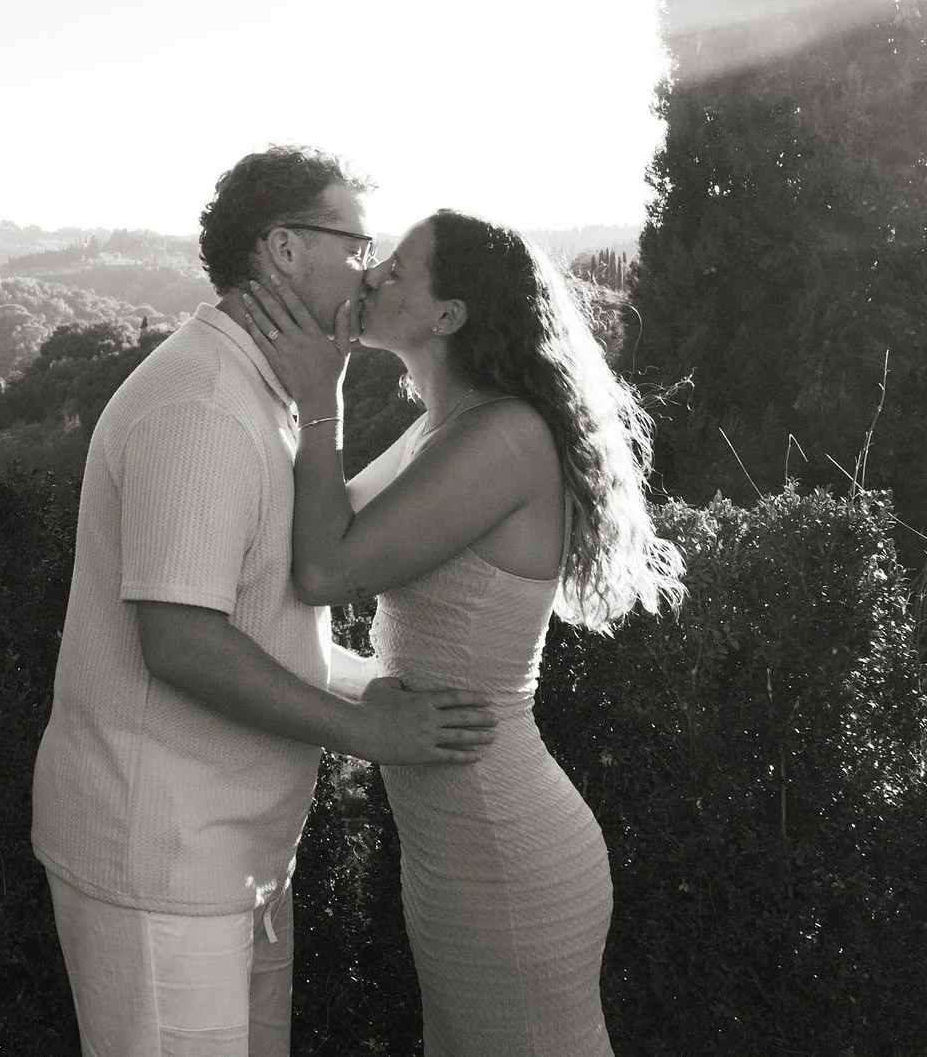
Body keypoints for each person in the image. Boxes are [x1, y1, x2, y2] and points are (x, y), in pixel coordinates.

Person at [32, 149, 499, 1057]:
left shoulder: (271, 393)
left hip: (232, 860)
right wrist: (368, 734)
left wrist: (370, 686)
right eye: (357, 242)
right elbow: (181, 641)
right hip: (161, 863)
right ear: (285, 249)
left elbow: (262, 616)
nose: (371, 266)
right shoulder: (203, 405)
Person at [239, 210, 685, 1057]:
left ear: (448, 316)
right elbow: (314, 526)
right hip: (453, 853)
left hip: (505, 852)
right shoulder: (441, 431)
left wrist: (321, 397)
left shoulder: (505, 439)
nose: (371, 278)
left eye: (397, 271)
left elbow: (326, 572)